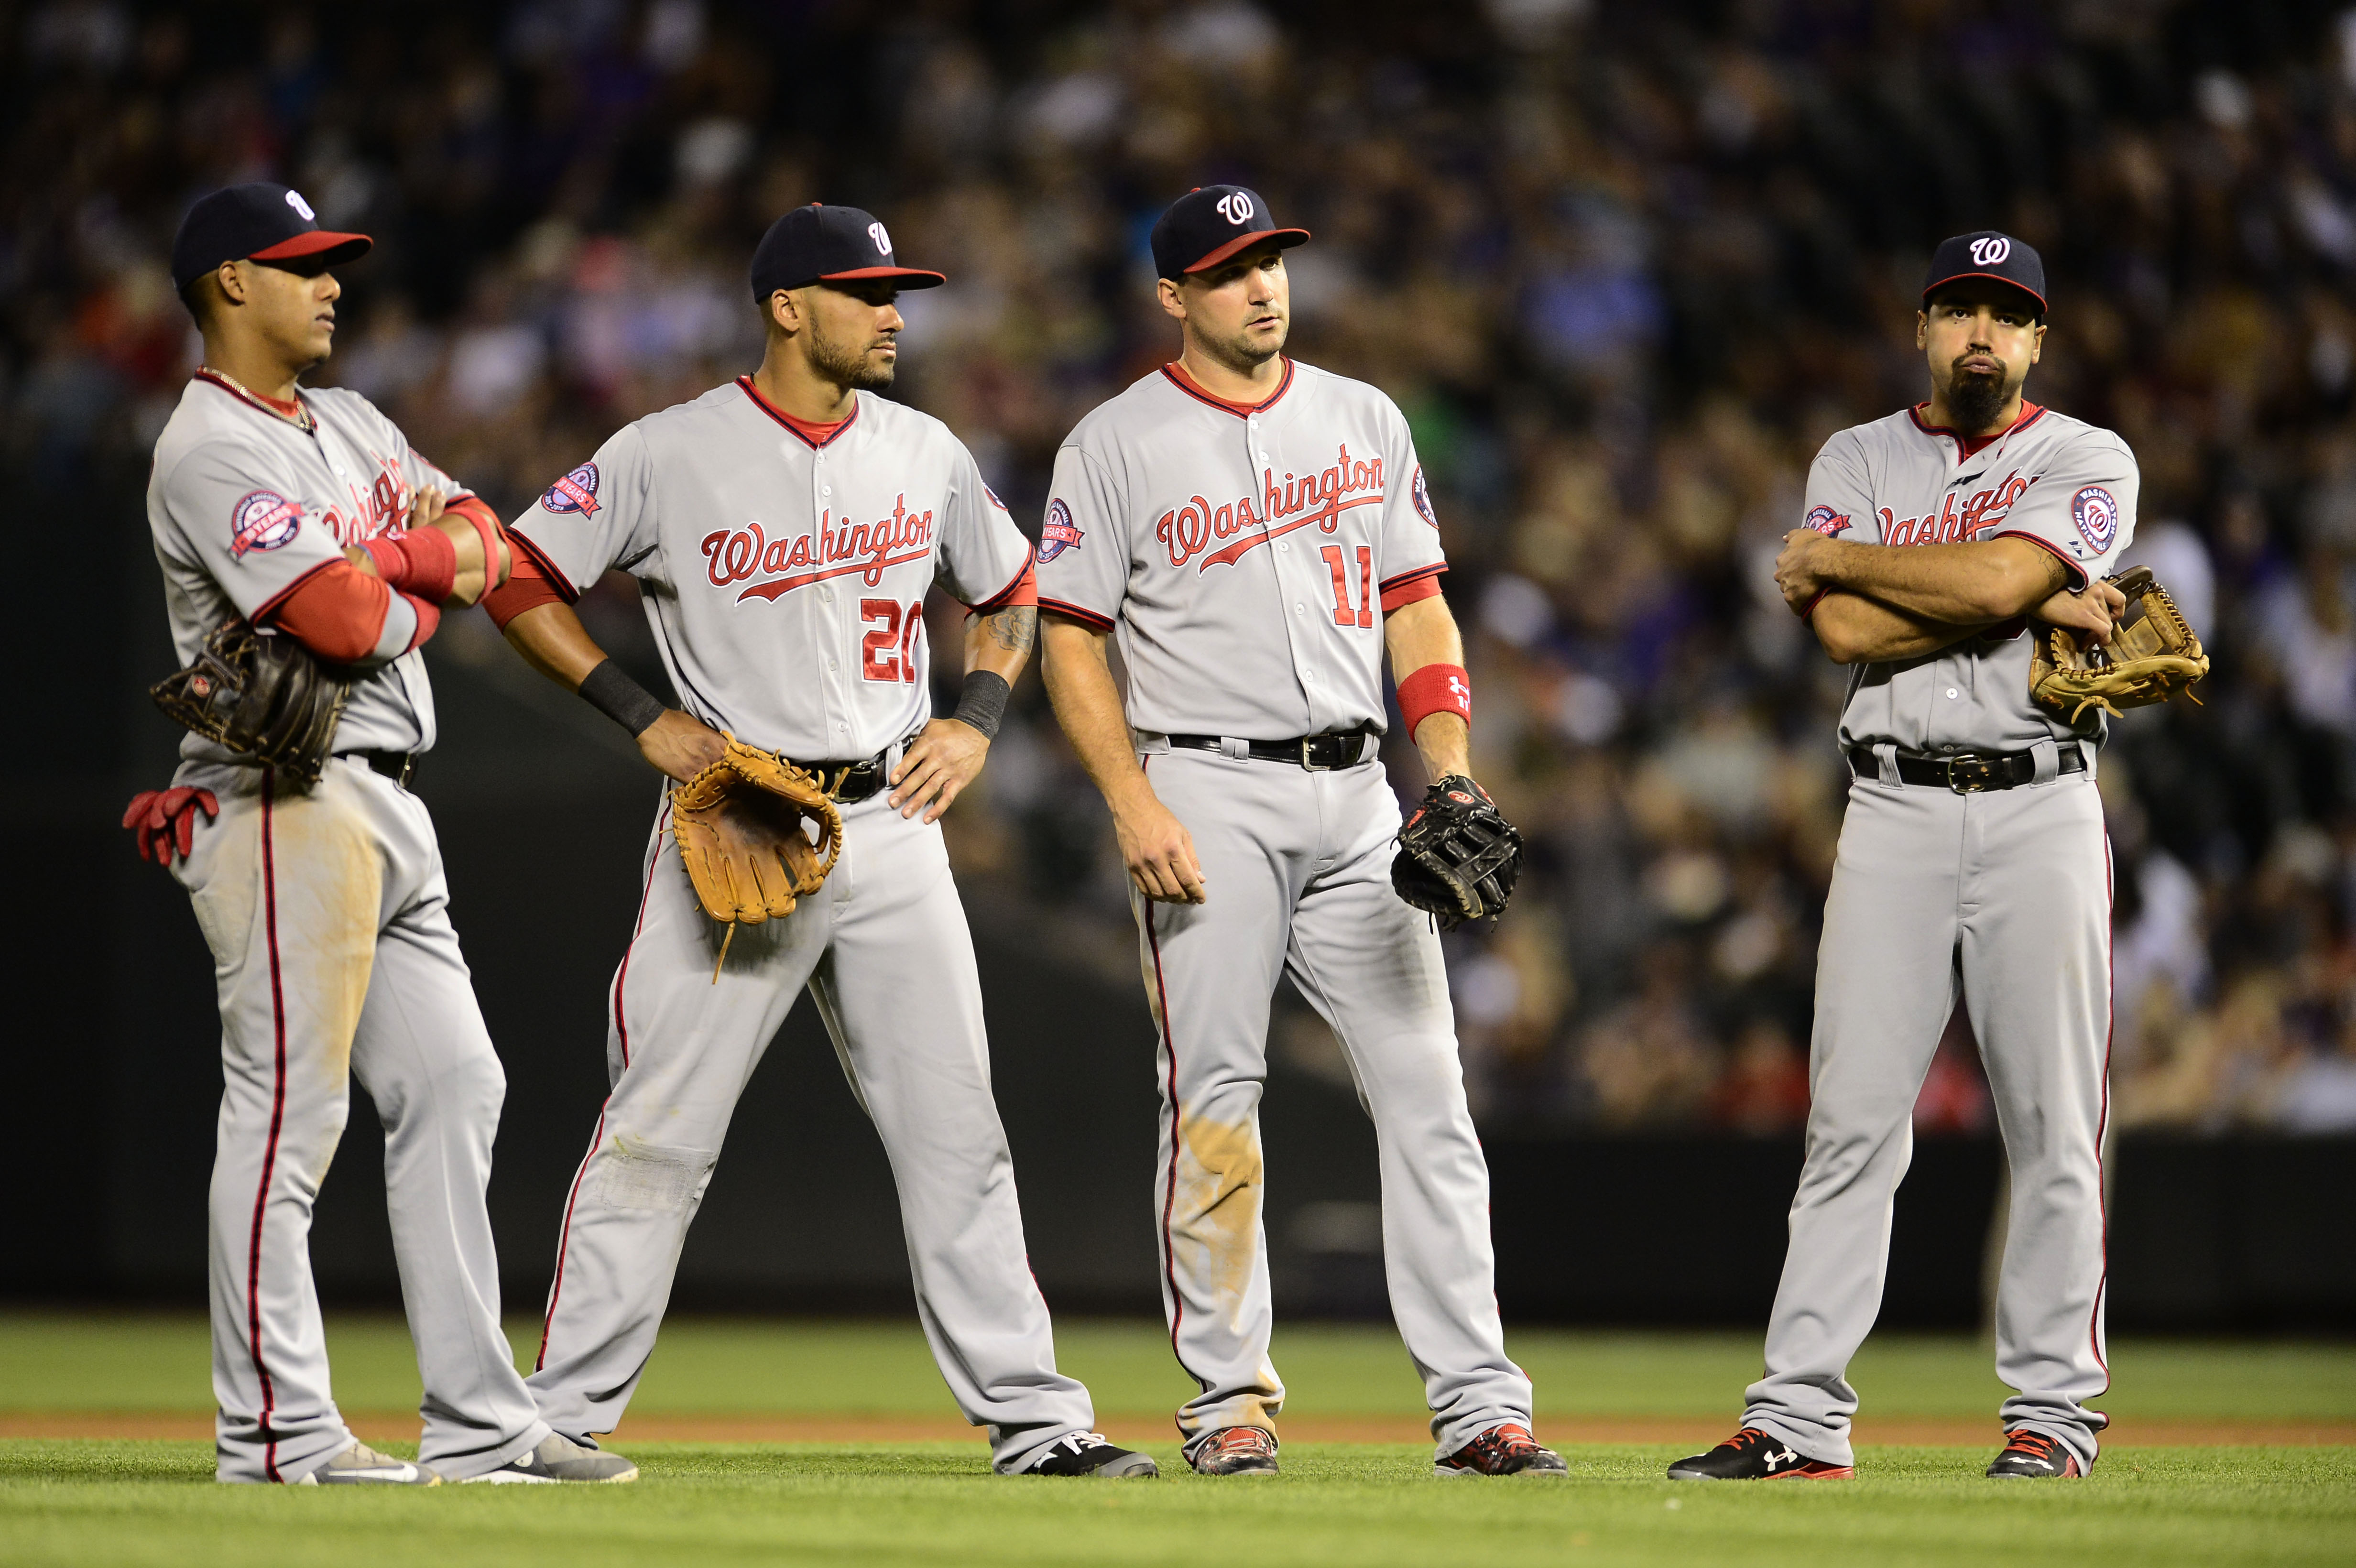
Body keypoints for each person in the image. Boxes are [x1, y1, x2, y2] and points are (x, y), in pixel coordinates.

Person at [483, 203, 1153, 1479]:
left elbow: (1009, 587)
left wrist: (978, 720)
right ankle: (554, 1421)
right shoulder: (668, 453)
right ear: (789, 306)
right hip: (740, 819)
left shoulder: (925, 449)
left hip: (894, 825)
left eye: (898, 292)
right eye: (869, 292)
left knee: (960, 1135)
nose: (897, 312)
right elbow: (517, 574)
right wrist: (635, 713)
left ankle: (1037, 1421)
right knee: (659, 1132)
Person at [1034, 185, 1564, 1480]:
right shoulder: (1113, 444)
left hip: (1356, 793)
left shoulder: (1362, 415)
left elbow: (1419, 606)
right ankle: (1229, 1404)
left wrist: (1445, 764)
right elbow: (1071, 640)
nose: (1262, 286)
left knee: (1430, 1094)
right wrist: (1132, 800)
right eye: (1228, 271)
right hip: (1204, 791)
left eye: (1270, 260)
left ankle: (1479, 1407)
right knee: (1215, 1103)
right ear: (1173, 297)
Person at [134, 182, 629, 1484]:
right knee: (287, 1119)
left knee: (458, 1086)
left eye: (332, 263)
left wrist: (396, 575)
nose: (334, 283)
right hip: (283, 801)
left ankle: (478, 1424)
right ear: (230, 283)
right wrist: (416, 585)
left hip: (392, 796)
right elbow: (351, 625)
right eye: (302, 266)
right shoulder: (206, 448)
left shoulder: (352, 421)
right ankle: (278, 1432)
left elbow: (491, 543)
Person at [1669, 231, 2134, 1483]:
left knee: (2053, 1125)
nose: (1982, 331)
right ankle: (1798, 1423)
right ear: (1922, 330)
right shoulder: (1857, 453)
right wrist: (2007, 589)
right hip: (1891, 812)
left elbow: (1975, 586)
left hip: (2041, 808)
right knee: (1851, 1126)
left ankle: (2050, 1420)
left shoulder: (2088, 456)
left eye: (2006, 314)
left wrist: (1920, 573)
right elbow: (1846, 631)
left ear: (2037, 341)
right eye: (1960, 309)